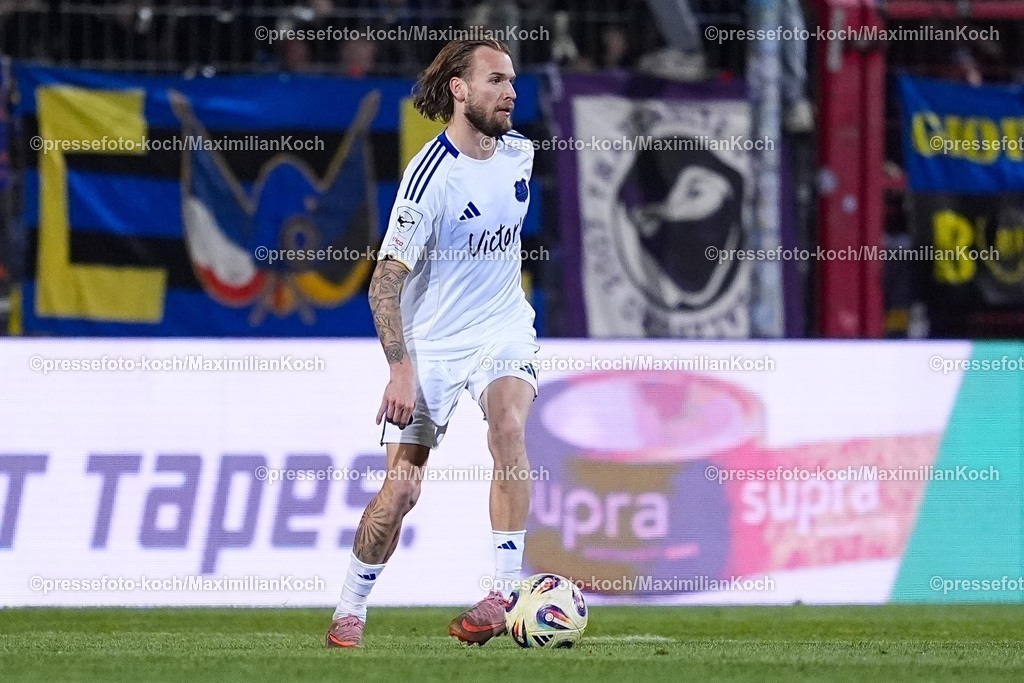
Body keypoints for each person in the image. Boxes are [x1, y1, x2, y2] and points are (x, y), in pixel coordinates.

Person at [325, 39, 539, 649]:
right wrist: (400, 369)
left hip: (502, 329)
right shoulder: (429, 178)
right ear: (460, 89)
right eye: (496, 80)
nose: (511, 92)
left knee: (509, 429)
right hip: (432, 346)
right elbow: (383, 283)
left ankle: (504, 593)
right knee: (401, 491)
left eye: (513, 80)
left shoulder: (520, 153)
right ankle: (350, 608)